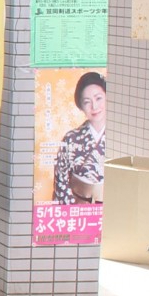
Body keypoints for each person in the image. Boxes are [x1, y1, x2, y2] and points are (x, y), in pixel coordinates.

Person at [53, 71, 107, 203]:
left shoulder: (120, 135)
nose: (94, 106)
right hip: (78, 211)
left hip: (112, 208)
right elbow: (61, 182)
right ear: (81, 106)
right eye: (87, 102)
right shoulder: (71, 138)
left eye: (98, 98)